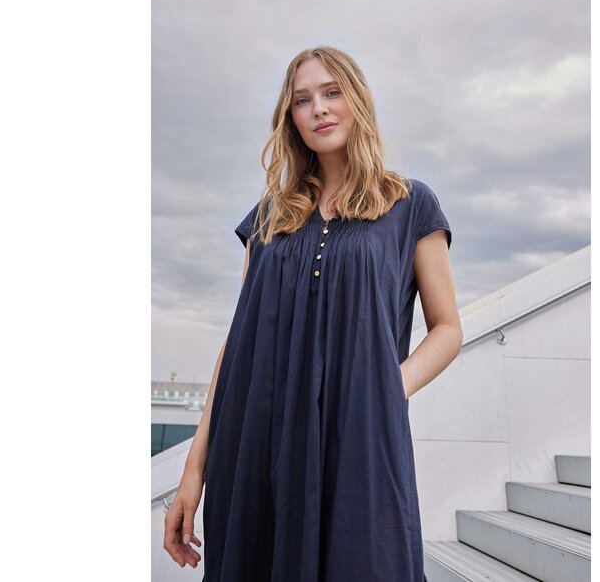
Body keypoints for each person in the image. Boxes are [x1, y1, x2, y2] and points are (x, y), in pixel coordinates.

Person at [163, 46, 463, 581]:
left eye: (331, 92)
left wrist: (386, 389)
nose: (319, 108)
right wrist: (193, 471)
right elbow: (238, 344)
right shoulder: (270, 216)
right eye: (303, 100)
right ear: (291, 119)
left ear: (357, 100)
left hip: (359, 441)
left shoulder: (409, 204)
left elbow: (448, 329)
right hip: (256, 444)